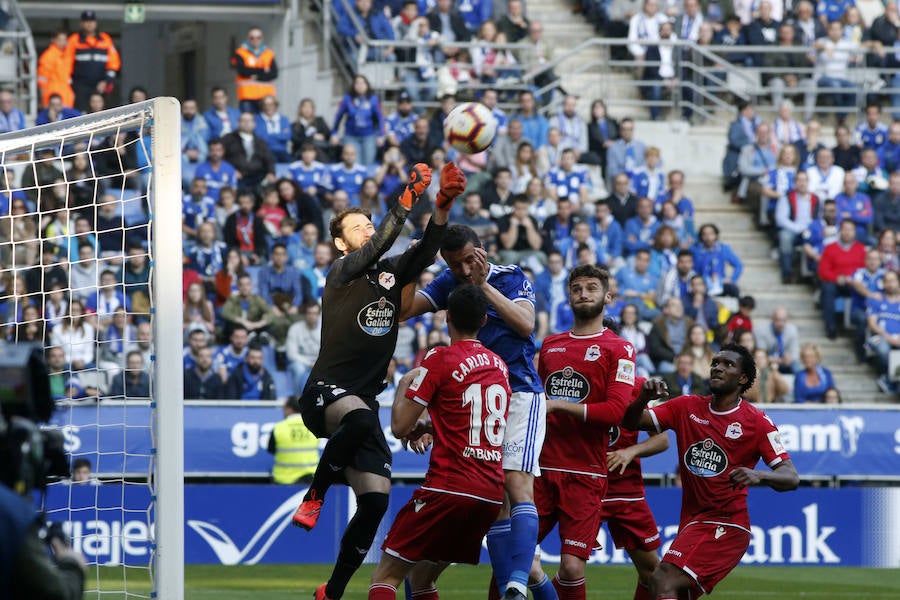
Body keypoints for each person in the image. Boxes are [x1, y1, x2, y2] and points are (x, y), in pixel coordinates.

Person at [290, 161, 465, 600]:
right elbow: (384, 241)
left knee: (375, 502)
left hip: (362, 403)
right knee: (365, 421)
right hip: (325, 392)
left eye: (369, 223)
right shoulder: (341, 272)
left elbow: (427, 250)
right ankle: (315, 494)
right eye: (358, 226)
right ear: (338, 241)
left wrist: (442, 205)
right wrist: (409, 195)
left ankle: (331, 592)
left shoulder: (389, 275)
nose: (367, 230)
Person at [399, 224, 547, 600]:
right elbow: (403, 311)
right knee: (496, 499)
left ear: (482, 250)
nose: (463, 271)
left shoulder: (511, 277)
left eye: (469, 261)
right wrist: (414, 265)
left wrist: (483, 286)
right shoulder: (448, 282)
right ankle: (510, 585)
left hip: (520, 395)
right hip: (477, 401)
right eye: (454, 264)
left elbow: (526, 325)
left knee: (516, 486)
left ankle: (514, 582)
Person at [367, 284, 511, 600]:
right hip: (490, 495)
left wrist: (404, 381)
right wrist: (434, 424)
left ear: (446, 317)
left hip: (449, 487)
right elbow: (471, 416)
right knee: (420, 579)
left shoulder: (440, 360)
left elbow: (399, 426)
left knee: (386, 576)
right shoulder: (500, 367)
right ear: (484, 321)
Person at [622, 345, 799, 600]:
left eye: (728, 364)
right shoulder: (686, 406)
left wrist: (759, 475)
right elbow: (631, 422)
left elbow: (791, 476)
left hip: (726, 525)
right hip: (692, 522)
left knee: (661, 580)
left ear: (743, 379)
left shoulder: (757, 422)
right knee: (665, 589)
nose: (717, 367)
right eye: (716, 362)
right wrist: (642, 398)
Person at [527, 265, 636, 600]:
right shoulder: (550, 345)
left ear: (608, 297)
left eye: (592, 287)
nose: (584, 293)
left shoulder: (621, 349)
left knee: (572, 568)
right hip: (541, 469)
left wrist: (559, 405)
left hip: (585, 472)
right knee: (516, 558)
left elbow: (615, 412)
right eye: (577, 288)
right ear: (568, 296)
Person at [65, 11, 120, 111]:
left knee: (103, 113)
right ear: (81, 23)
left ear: (96, 23)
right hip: (80, 86)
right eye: (86, 21)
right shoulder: (74, 40)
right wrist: (70, 84)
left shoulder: (105, 39)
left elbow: (113, 62)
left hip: (100, 85)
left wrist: (107, 81)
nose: (89, 24)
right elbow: (66, 63)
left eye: (92, 21)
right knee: (81, 113)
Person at [268, 396, 320, 485]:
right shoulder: (313, 426)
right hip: (311, 479)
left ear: (289, 409)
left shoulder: (279, 428)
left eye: (284, 408)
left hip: (284, 481)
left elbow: (271, 450)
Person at [231, 26, 278, 114]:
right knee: (248, 123)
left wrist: (254, 75)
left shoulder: (268, 53)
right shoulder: (240, 53)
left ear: (262, 39)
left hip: (266, 98)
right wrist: (263, 71)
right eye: (252, 38)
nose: (255, 40)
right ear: (248, 39)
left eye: (258, 37)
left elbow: (274, 74)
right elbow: (243, 71)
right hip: (247, 97)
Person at [37, 31, 74, 108]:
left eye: (64, 40)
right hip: (52, 95)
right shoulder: (48, 56)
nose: (62, 42)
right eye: (60, 39)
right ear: (53, 40)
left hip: (66, 95)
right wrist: (43, 99)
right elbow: (42, 80)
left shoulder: (66, 56)